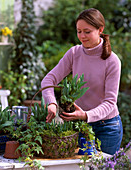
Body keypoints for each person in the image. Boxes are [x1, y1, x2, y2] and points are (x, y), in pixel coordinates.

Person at [41, 8, 123, 155]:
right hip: (79, 125)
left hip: (107, 127)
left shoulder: (112, 61)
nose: (82, 36)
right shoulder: (74, 53)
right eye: (79, 31)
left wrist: (86, 115)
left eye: (87, 31)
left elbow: (110, 102)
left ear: (100, 29)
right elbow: (49, 79)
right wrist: (51, 102)